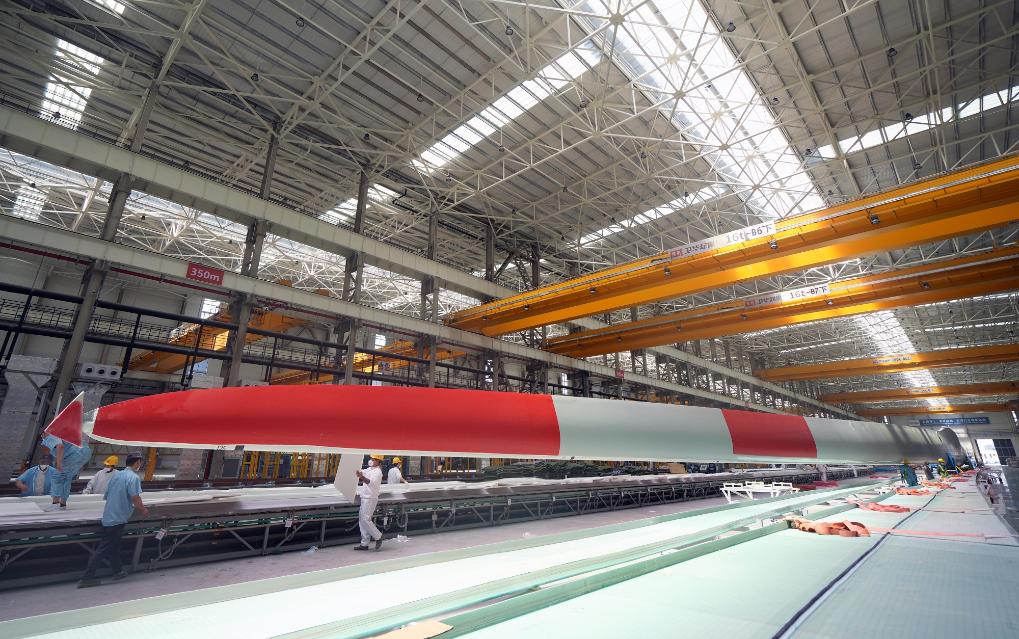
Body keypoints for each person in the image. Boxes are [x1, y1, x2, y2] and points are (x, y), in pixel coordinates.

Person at [78, 452, 148, 588]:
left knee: (114, 547)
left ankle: (118, 571)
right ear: (137, 462)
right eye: (140, 462)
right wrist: (143, 509)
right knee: (104, 548)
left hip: (109, 515)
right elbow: (135, 498)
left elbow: (107, 495)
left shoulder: (117, 475)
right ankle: (86, 578)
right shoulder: (133, 477)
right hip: (118, 518)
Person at [41, 430, 92, 511]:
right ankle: (62, 504)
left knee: (57, 478)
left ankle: (55, 503)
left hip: (76, 454)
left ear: (44, 433)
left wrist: (59, 463)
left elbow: (60, 446)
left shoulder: (51, 435)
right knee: (66, 479)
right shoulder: (60, 435)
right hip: (83, 452)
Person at [353, 455, 384, 551]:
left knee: (366, 519)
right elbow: (362, 471)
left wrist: (361, 477)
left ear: (378, 461)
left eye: (373, 459)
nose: (371, 460)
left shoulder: (378, 472)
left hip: (370, 498)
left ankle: (378, 536)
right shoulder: (370, 469)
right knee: (362, 520)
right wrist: (356, 471)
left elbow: (370, 482)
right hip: (365, 496)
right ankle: (364, 544)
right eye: (371, 459)